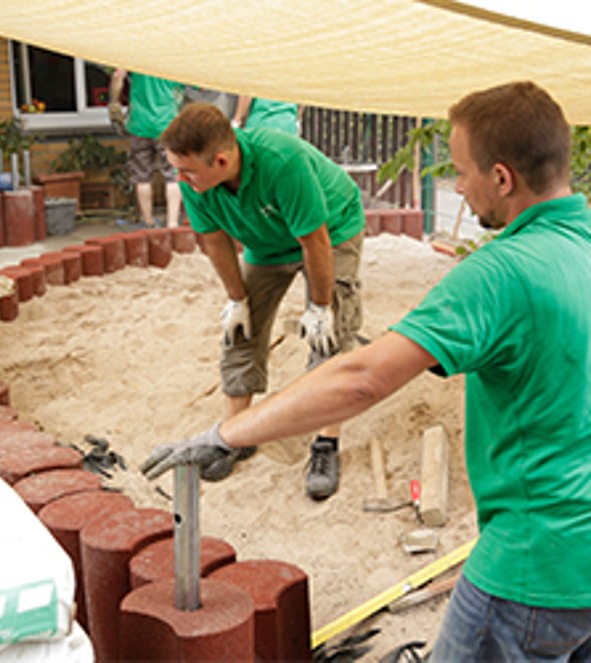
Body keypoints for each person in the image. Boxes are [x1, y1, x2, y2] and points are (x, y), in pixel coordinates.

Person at [143, 81, 591, 660]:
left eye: (460, 172)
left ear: (502, 178)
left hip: (536, 562)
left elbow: (361, 378)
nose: (456, 185)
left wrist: (224, 433)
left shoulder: (499, 273)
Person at [159, 102, 365, 499]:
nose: (179, 178)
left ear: (221, 160)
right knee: (240, 329)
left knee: (330, 333)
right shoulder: (197, 182)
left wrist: (319, 307)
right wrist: (237, 299)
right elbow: (216, 243)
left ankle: (326, 443)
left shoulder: (282, 161)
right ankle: (236, 435)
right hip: (267, 244)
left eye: (186, 170)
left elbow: (314, 241)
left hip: (330, 230)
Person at [109, 69, 184, 228]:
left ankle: (148, 221)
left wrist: (114, 102)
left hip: (139, 124)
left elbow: (117, 76)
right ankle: (172, 223)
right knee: (173, 175)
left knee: (142, 175)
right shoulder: (173, 60)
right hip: (167, 124)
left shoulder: (137, 56)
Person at [232, 96, 300, 136]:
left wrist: (237, 120)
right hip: (288, 125)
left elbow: (247, 94)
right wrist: (297, 120)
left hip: (261, 124)